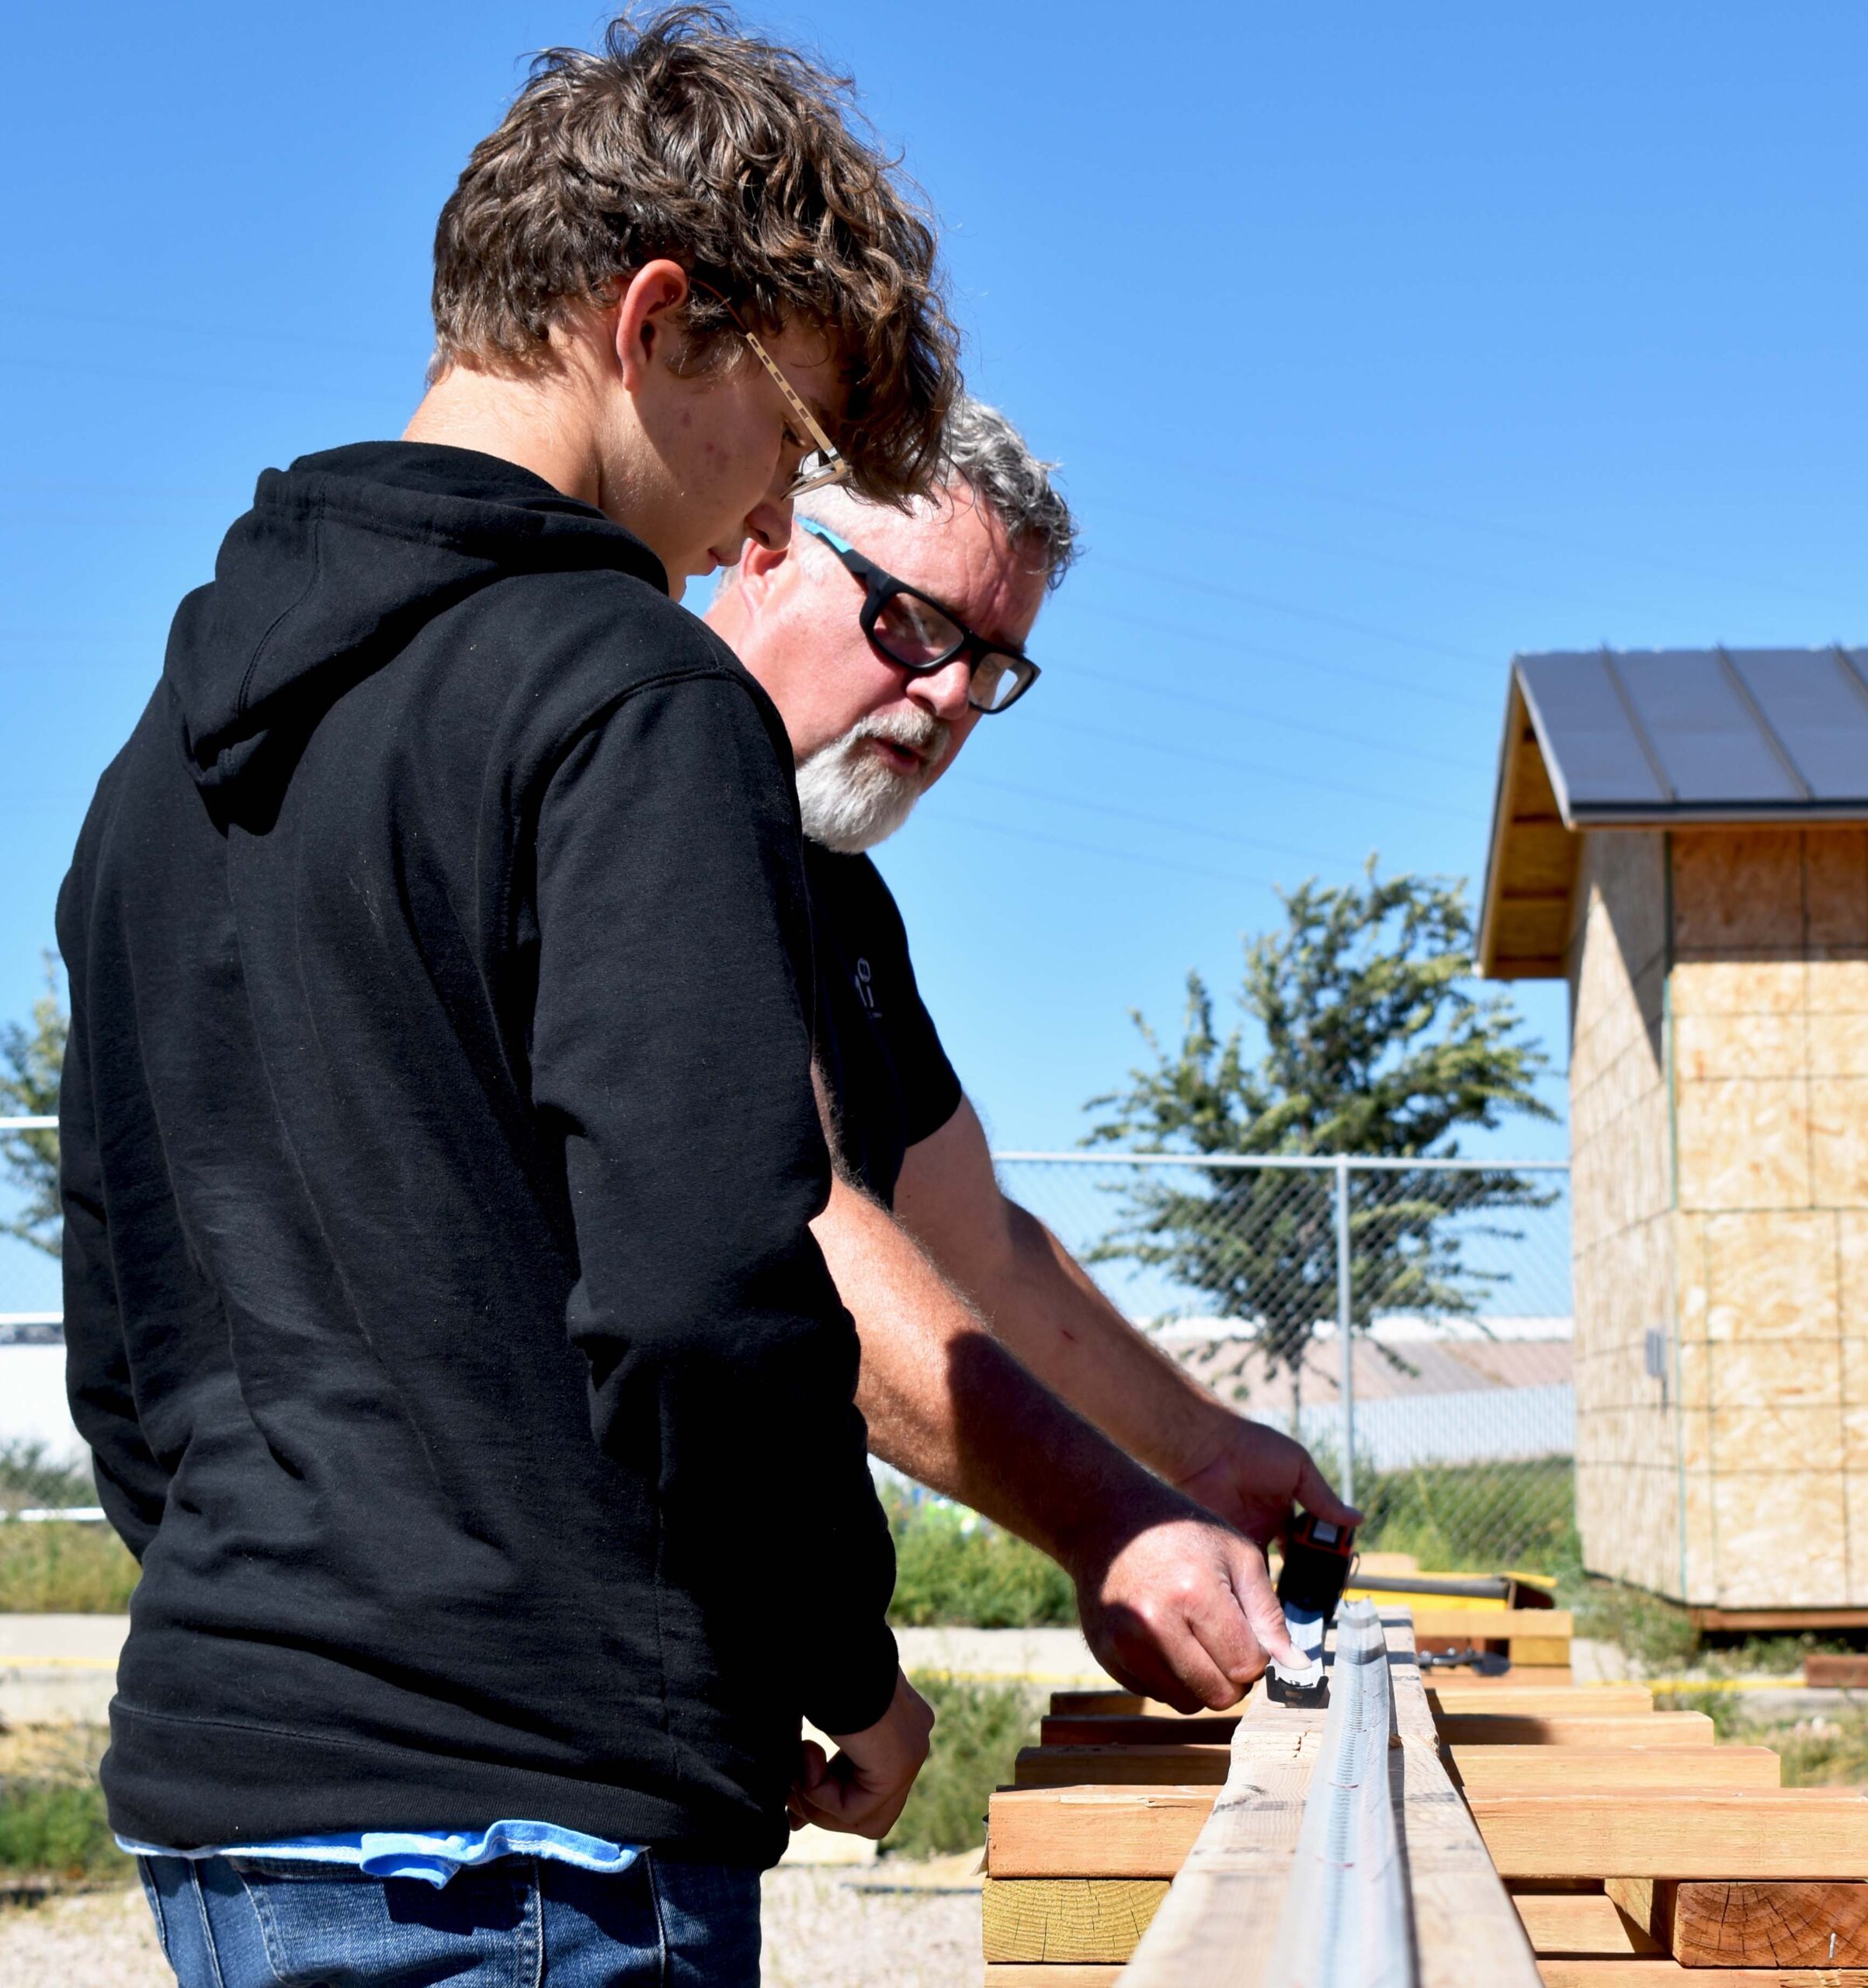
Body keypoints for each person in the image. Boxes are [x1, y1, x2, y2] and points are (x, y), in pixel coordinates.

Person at [57, 12, 960, 1984]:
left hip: (227, 1811)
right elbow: (705, 1293)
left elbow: (128, 1351)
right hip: (531, 1846)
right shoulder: (631, 698)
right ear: (656, 323)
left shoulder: (154, 765)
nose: (759, 533)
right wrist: (849, 1663)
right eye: (787, 450)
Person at [706, 400, 1360, 1772]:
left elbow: (973, 1241)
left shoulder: (837, 891)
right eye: (911, 619)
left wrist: (1190, 1452)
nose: (947, 696)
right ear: (763, 547)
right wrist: (1104, 1515)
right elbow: (779, 1236)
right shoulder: (659, 818)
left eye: (990, 663)